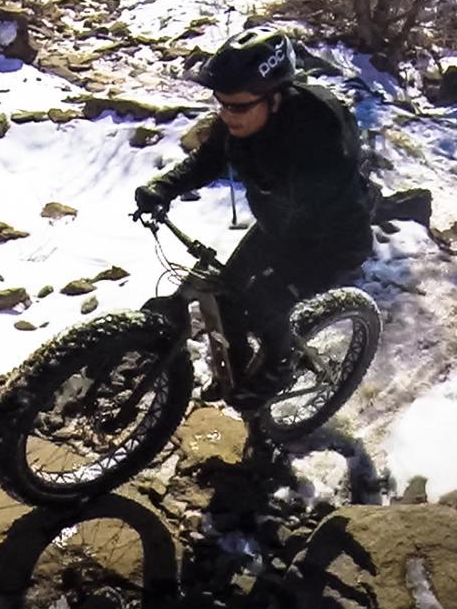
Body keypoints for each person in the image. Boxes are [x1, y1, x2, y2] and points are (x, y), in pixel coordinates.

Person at [134, 30, 373, 405]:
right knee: (226, 295)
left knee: (265, 303)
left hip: (333, 239)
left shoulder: (318, 130)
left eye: (238, 107)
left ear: (275, 98)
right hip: (278, 227)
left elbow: (328, 200)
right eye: (222, 104)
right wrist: (163, 188)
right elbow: (209, 159)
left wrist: (276, 280)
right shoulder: (240, 121)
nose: (227, 114)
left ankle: (278, 366)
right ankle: (238, 367)